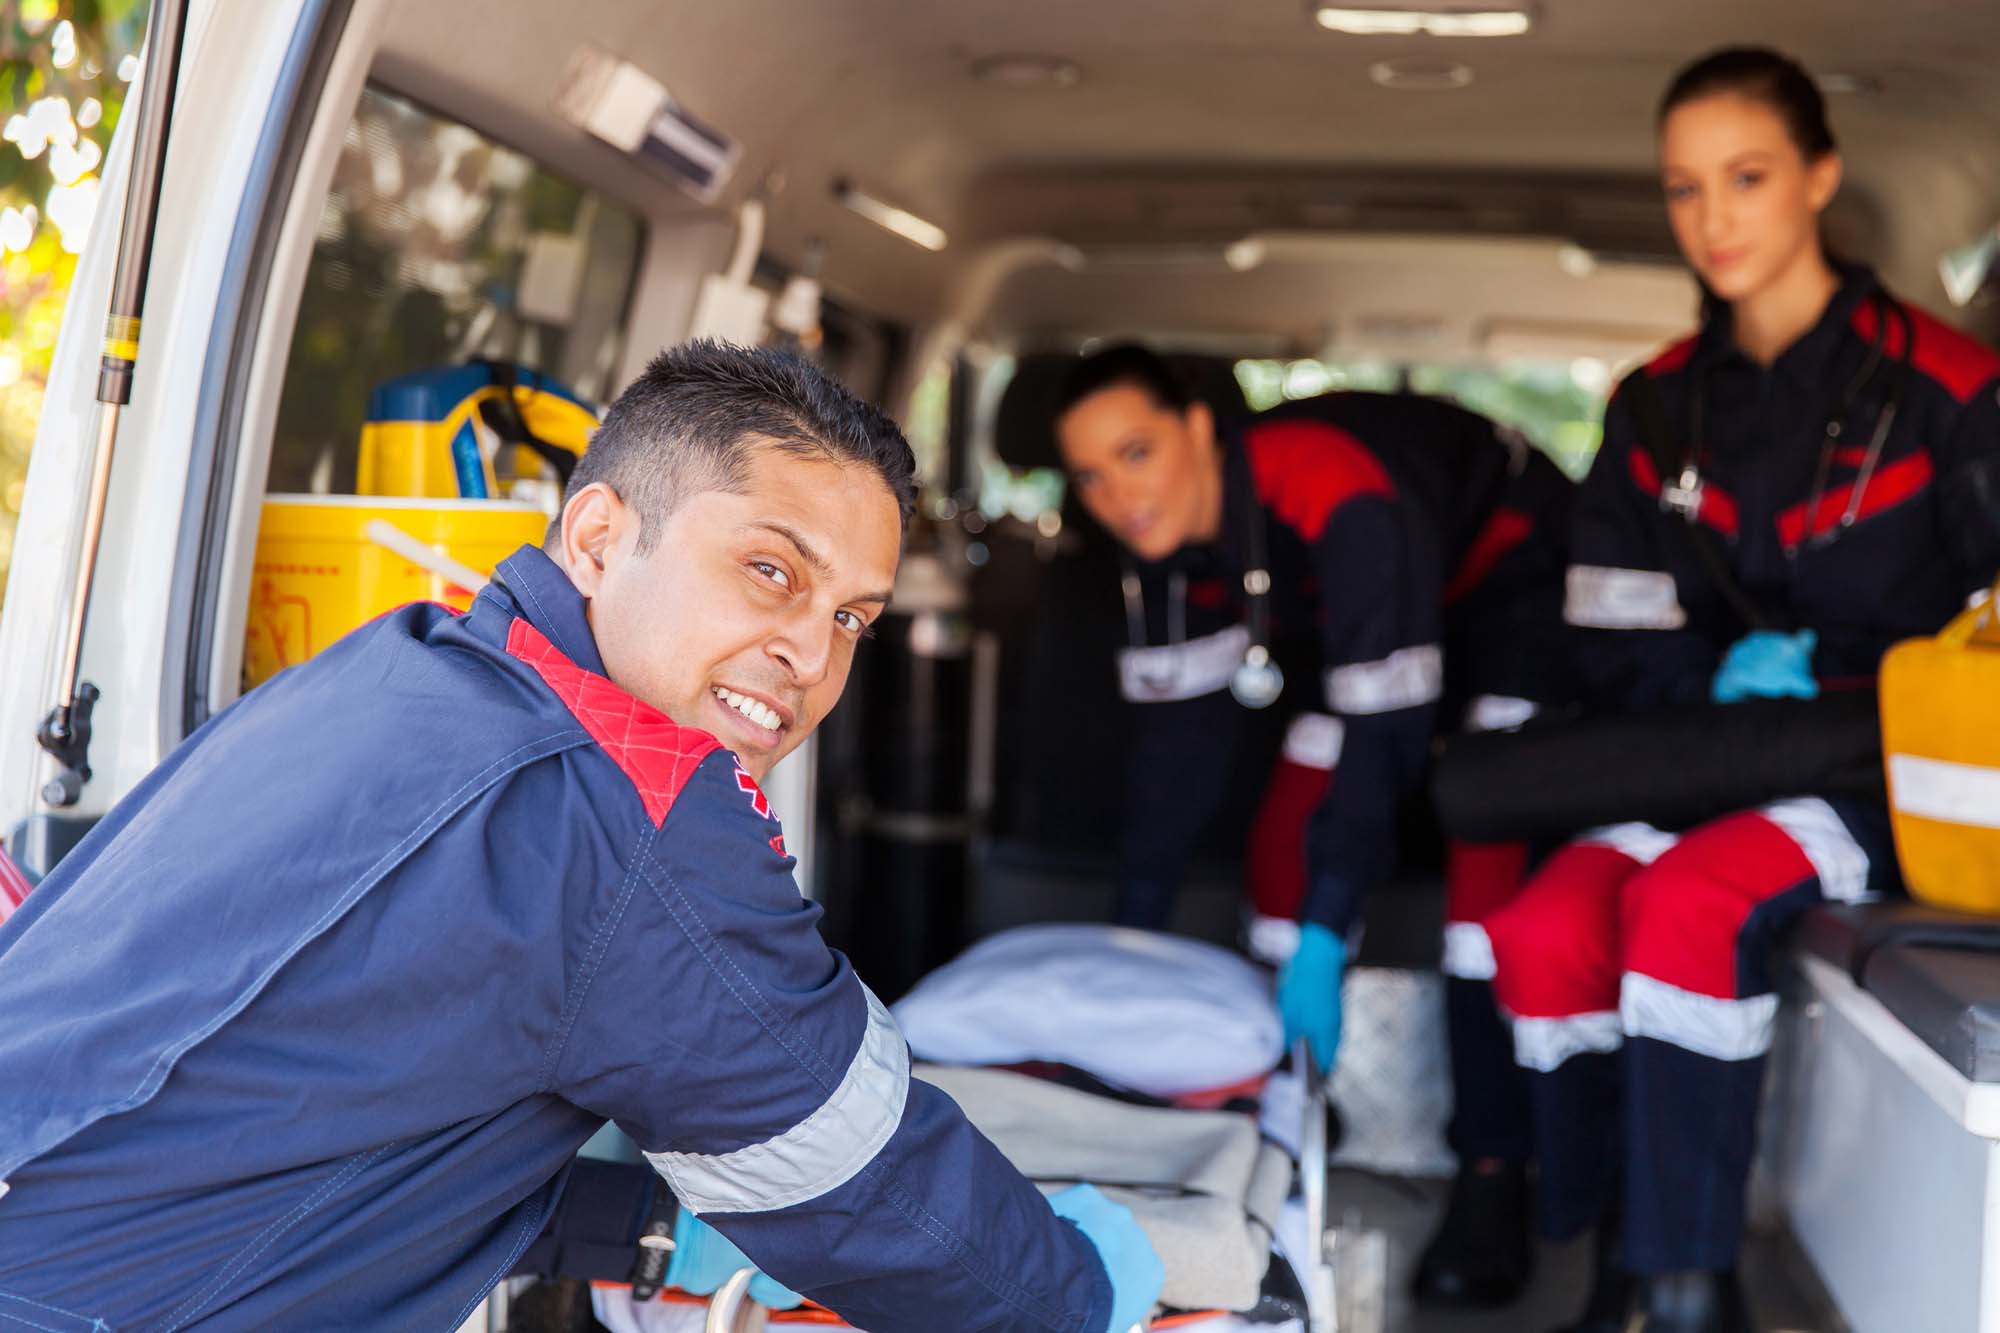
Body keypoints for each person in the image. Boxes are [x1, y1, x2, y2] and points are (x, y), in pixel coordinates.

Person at [0, 342, 1162, 1333]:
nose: (813, 656)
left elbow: (358, 1103)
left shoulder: (408, 663)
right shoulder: (634, 814)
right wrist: (1083, 1294)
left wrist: (651, 1232)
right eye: (769, 570)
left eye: (850, 615)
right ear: (599, 536)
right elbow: (864, 1178)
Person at [1481, 47, 2000, 1333]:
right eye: (1682, 188)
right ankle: (1602, 1255)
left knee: (1686, 904)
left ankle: (1687, 1284)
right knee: (1544, 930)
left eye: (1746, 177)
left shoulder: (1949, 393)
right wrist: (1708, 673)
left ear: (1819, 176)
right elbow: (1605, 622)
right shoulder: (1651, 411)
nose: (1712, 219)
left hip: (1874, 773)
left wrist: (1837, 682)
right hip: (1695, 751)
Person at [1052, 345, 1576, 1307]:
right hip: (1395, 615)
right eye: (1089, 472)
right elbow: (1181, 754)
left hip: (1521, 591)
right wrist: (1128, 942)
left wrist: (1331, 933)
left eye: (1136, 452)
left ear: (1201, 430)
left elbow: (1384, 740)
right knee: (1288, 827)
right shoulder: (1166, 547)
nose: (1117, 494)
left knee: (1485, 835)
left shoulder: (1333, 491)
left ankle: (1493, 1174)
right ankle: (1279, 1118)